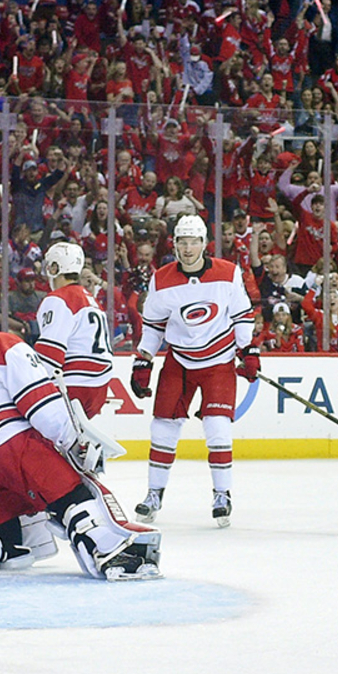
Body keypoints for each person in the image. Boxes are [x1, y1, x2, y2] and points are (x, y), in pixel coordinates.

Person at [0, 289, 160, 581]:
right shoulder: (5, 343)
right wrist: (72, 441)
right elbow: (38, 402)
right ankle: (110, 553)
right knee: (73, 496)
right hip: (14, 447)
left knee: (9, 542)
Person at [130, 215, 259, 528]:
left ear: (204, 244)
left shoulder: (228, 273)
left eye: (194, 241)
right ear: (174, 244)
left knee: (217, 428)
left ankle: (222, 494)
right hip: (179, 362)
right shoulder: (161, 279)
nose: (188, 248)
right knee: (162, 428)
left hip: (218, 363)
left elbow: (242, 315)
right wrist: (143, 360)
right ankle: (154, 494)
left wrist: (248, 350)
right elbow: (153, 326)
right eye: (182, 241)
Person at [33, 242, 113, 418]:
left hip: (73, 384)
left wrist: (30, 387)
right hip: (100, 386)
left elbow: (50, 355)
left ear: (55, 268)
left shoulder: (58, 299)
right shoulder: (91, 299)